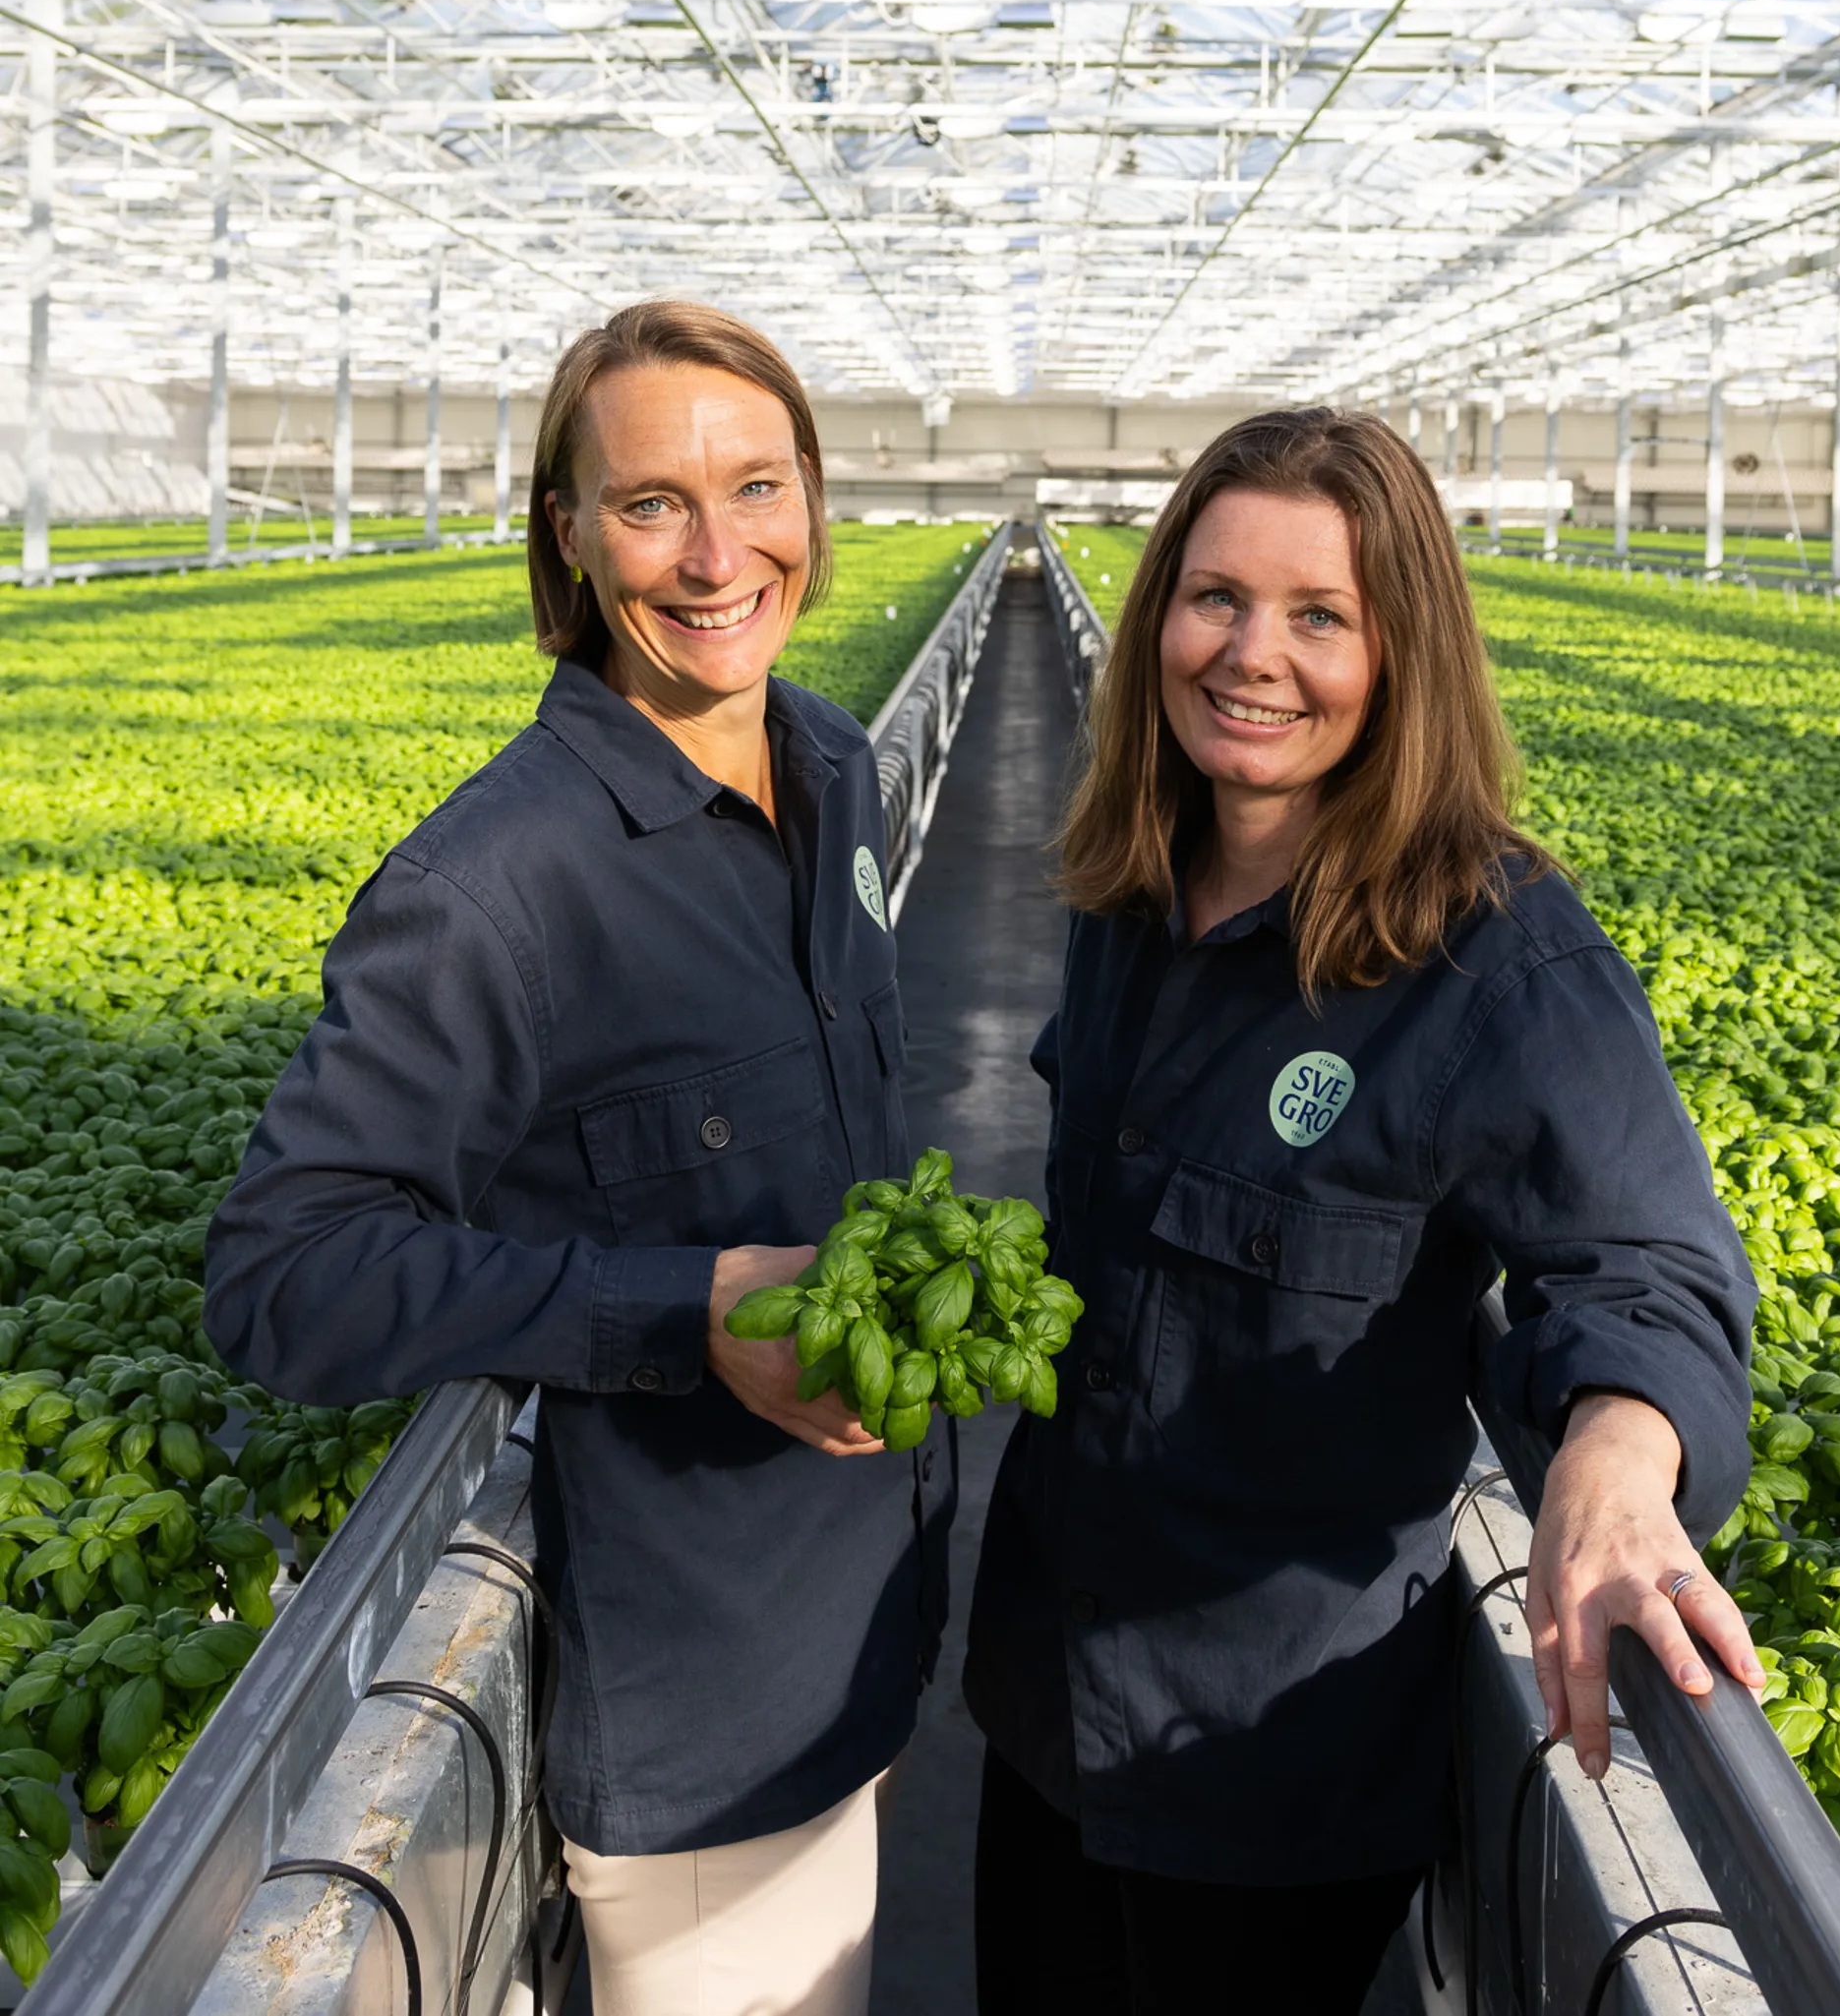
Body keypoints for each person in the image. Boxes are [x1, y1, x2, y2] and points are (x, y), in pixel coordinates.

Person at [963, 406, 1759, 2016]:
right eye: (1216, 599)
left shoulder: (1497, 960)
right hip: (1045, 1695)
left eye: (1320, 615)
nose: (1253, 654)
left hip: (1266, 1770)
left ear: (1402, 654)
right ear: (1158, 617)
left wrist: (1614, 1457)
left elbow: (1654, 1266)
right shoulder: (1134, 882)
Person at [205, 299, 950, 2016]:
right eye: (649, 505)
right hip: (704, 1715)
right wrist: (682, 1307)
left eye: (759, 488)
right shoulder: (495, 889)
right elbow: (281, 1274)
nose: (717, 556)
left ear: (817, 506)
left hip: (869, 1622)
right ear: (568, 533)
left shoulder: (834, 767)